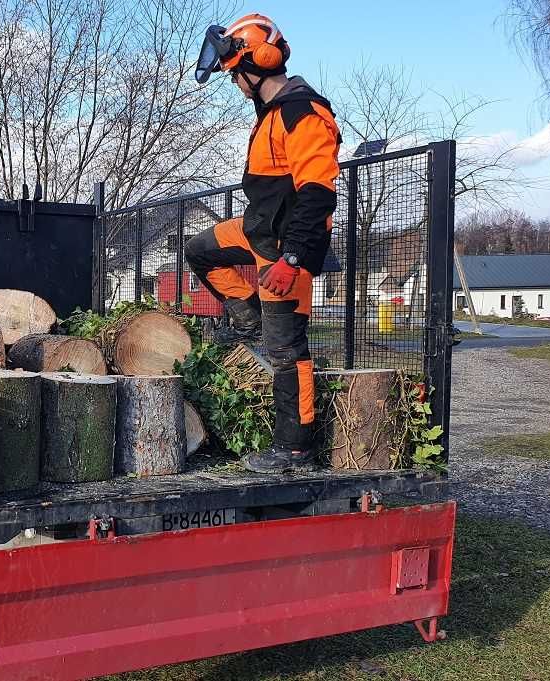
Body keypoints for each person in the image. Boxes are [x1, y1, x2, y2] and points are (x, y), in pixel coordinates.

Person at [188, 13, 341, 472]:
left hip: (284, 250)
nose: (235, 83)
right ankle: (248, 318)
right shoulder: (270, 114)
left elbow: (317, 194)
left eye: (235, 74)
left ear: (255, 67)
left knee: (287, 353)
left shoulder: (303, 112)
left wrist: (292, 260)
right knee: (199, 251)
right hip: (256, 231)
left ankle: (295, 447)